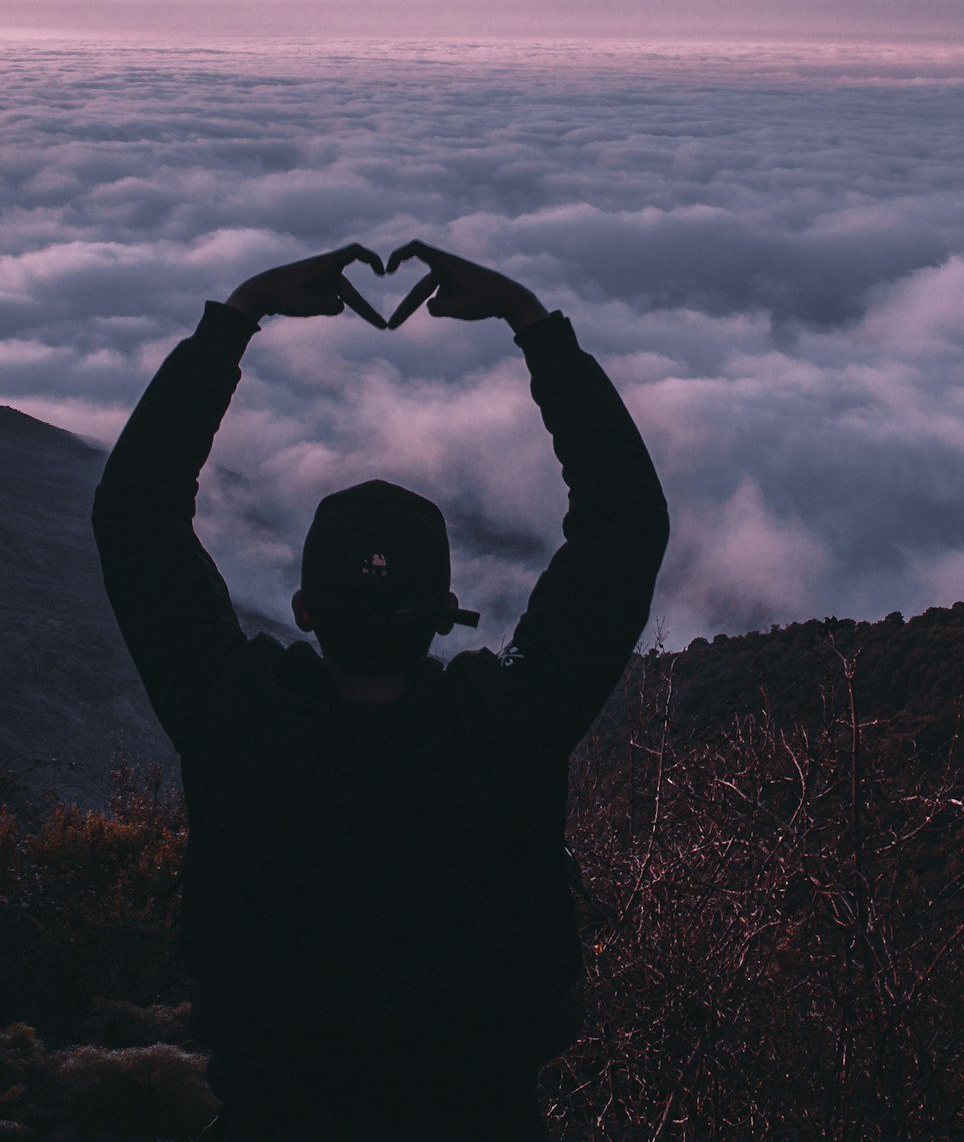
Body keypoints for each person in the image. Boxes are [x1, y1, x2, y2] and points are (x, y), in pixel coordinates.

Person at [92, 240, 670, 1141]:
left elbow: (135, 512)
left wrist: (239, 313)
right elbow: (624, 521)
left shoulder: (237, 723)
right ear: (446, 612)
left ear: (303, 611)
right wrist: (530, 321)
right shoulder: (507, 728)